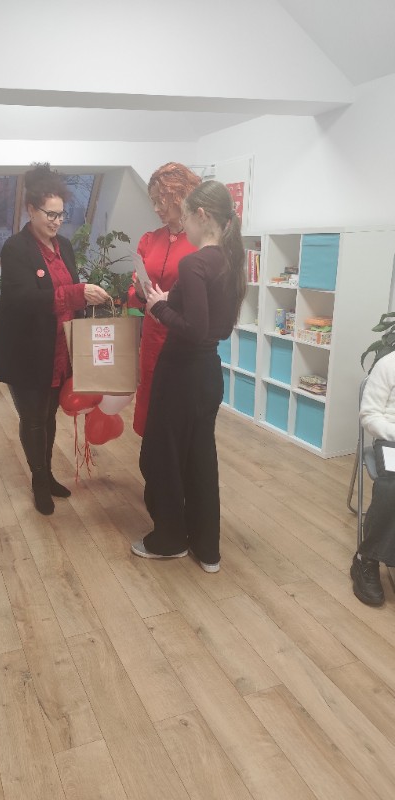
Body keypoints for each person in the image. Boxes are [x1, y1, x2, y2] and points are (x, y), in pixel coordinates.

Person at [130, 180, 246, 567]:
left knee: (160, 457)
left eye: (184, 217)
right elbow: (214, 326)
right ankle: (206, 548)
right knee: (200, 460)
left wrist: (158, 306)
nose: (182, 226)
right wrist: (169, 301)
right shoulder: (229, 260)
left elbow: (194, 329)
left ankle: (169, 540)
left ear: (200, 215)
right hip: (208, 375)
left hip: (180, 374)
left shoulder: (194, 263)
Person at [0, 164, 109, 515]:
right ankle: (39, 480)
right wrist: (77, 293)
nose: (57, 222)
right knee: (32, 419)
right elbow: (23, 299)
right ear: (31, 210)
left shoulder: (65, 247)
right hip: (27, 350)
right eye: (50, 215)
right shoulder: (15, 248)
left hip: (59, 349)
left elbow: (69, 293)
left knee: (49, 416)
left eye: (62, 215)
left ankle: (48, 474)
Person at [128, 163, 201, 436]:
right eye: (154, 202)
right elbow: (134, 295)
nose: (157, 208)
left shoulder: (201, 242)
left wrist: (174, 298)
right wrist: (138, 290)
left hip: (183, 335)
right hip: (152, 335)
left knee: (179, 407)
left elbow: (206, 293)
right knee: (150, 398)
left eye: (162, 201)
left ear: (180, 196)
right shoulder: (149, 240)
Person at [350, 349, 395, 605]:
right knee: (392, 486)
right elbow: (369, 416)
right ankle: (366, 559)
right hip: (391, 439)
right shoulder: (388, 365)